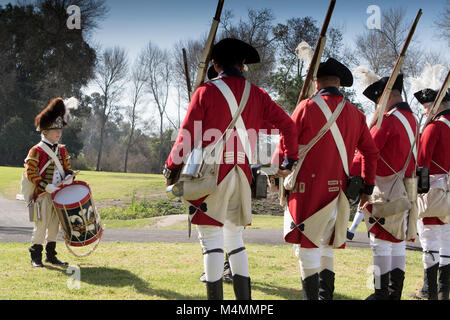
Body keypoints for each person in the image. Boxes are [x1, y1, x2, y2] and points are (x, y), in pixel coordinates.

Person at [164, 38, 299, 300]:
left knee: (211, 242)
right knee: (235, 241)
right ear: (243, 65)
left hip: (210, 177)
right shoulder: (258, 95)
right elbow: (289, 126)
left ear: (215, 64)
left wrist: (171, 167)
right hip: (242, 177)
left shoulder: (206, 92)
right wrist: (288, 160)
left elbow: (186, 137)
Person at [274, 58, 379, 300]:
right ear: (338, 83)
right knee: (326, 246)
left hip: (306, 190)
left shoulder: (306, 107)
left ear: (316, 81)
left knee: (307, 248)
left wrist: (277, 171)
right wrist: (368, 186)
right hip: (337, 191)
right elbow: (370, 153)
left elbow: (285, 142)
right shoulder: (356, 113)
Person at [356, 74, 418, 300]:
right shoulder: (413, 119)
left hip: (384, 189)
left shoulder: (389, 120)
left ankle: (380, 294)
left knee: (380, 242)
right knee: (396, 241)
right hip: (404, 188)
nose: (377, 105)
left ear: (389, 96)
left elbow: (368, 153)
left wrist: (347, 166)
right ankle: (393, 295)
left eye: (378, 100)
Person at [25, 98, 74, 267]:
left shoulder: (62, 149)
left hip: (58, 196)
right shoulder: (36, 150)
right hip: (42, 195)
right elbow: (30, 172)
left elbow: (67, 167)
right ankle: (35, 257)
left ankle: (51, 256)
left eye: (60, 131)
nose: (58, 134)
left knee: (54, 227)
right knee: (41, 226)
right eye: (55, 131)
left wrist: (69, 176)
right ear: (45, 131)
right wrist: (46, 186)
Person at [413, 88, 450, 300]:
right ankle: (444, 290)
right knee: (447, 239)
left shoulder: (434, 128)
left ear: (436, 106)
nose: (425, 112)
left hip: (433, 191)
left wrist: (419, 192)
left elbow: (422, 163)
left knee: (429, 240)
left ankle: (430, 291)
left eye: (427, 108)